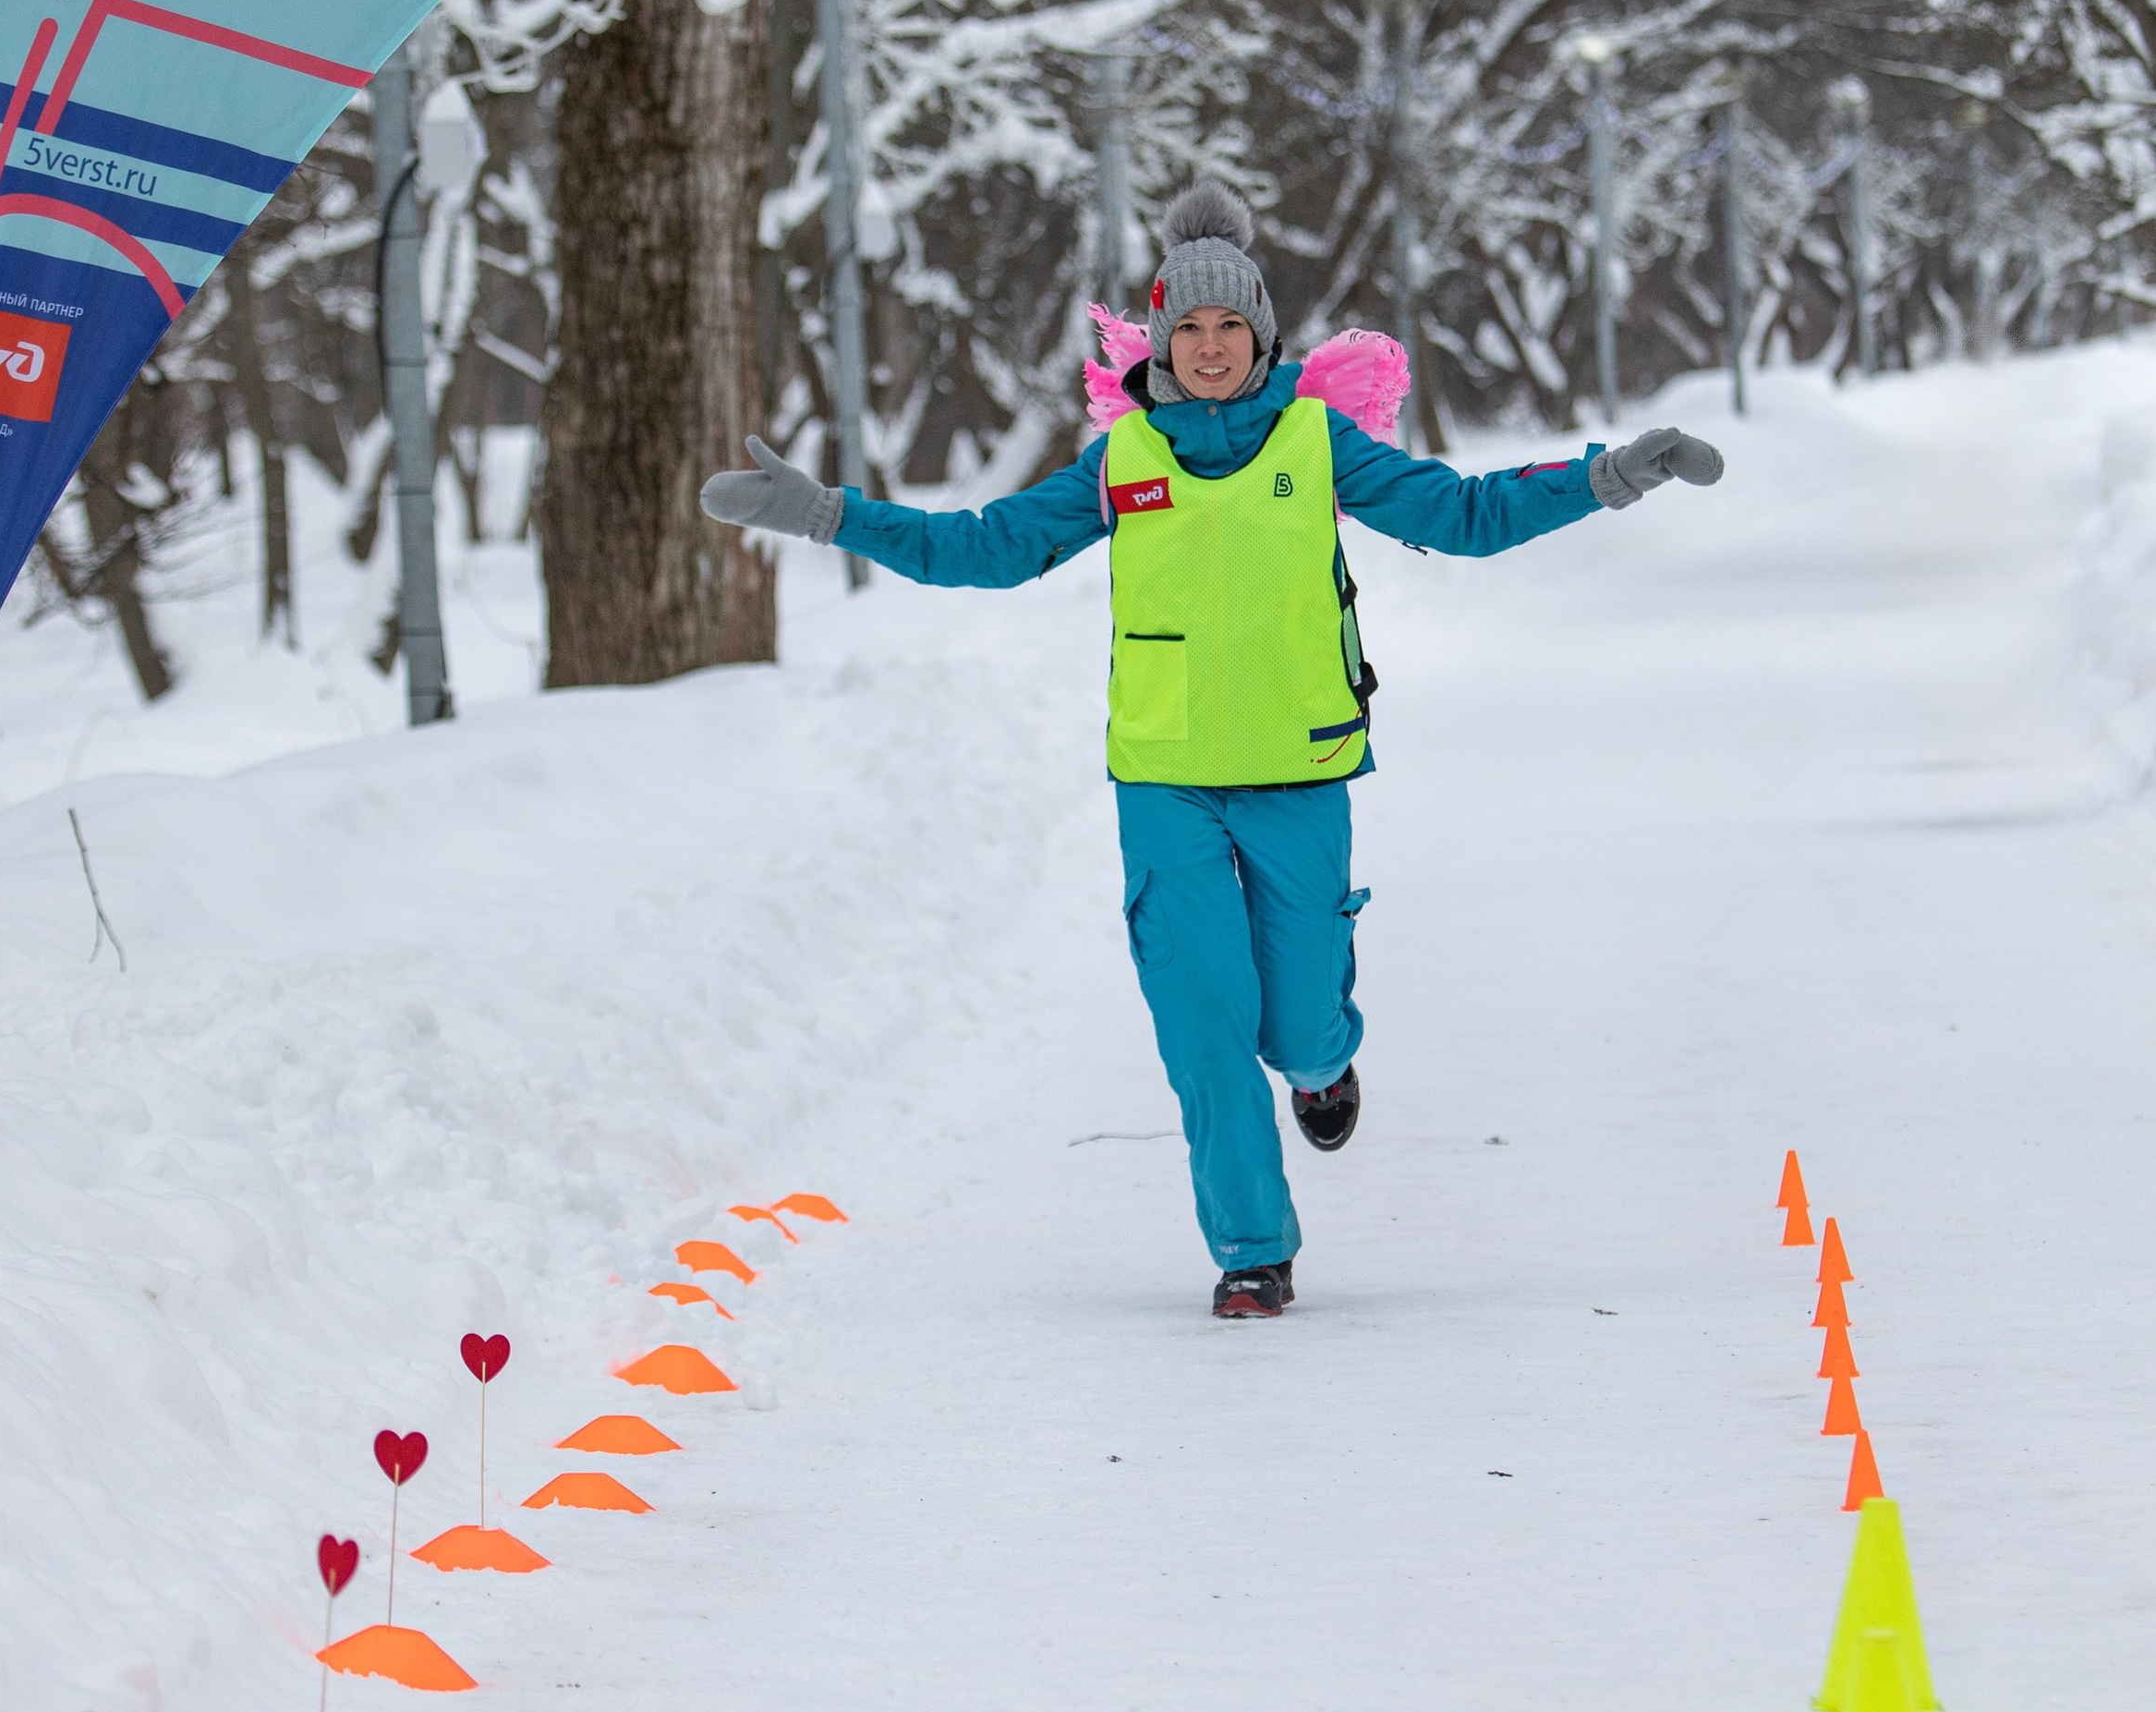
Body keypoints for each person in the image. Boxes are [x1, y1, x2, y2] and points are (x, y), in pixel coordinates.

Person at [701, 178, 1723, 1320]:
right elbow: (982, 547)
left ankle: (1324, 1065)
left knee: (1297, 1023)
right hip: (1166, 780)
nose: (1208, 346)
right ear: (1158, 341)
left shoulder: (1317, 442)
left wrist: (1608, 475)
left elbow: (1464, 514)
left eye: (1229, 324)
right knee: (1202, 1022)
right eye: (1186, 326)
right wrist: (828, 514)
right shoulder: (1122, 460)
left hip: (1298, 766)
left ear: (1262, 335)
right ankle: (1251, 1250)